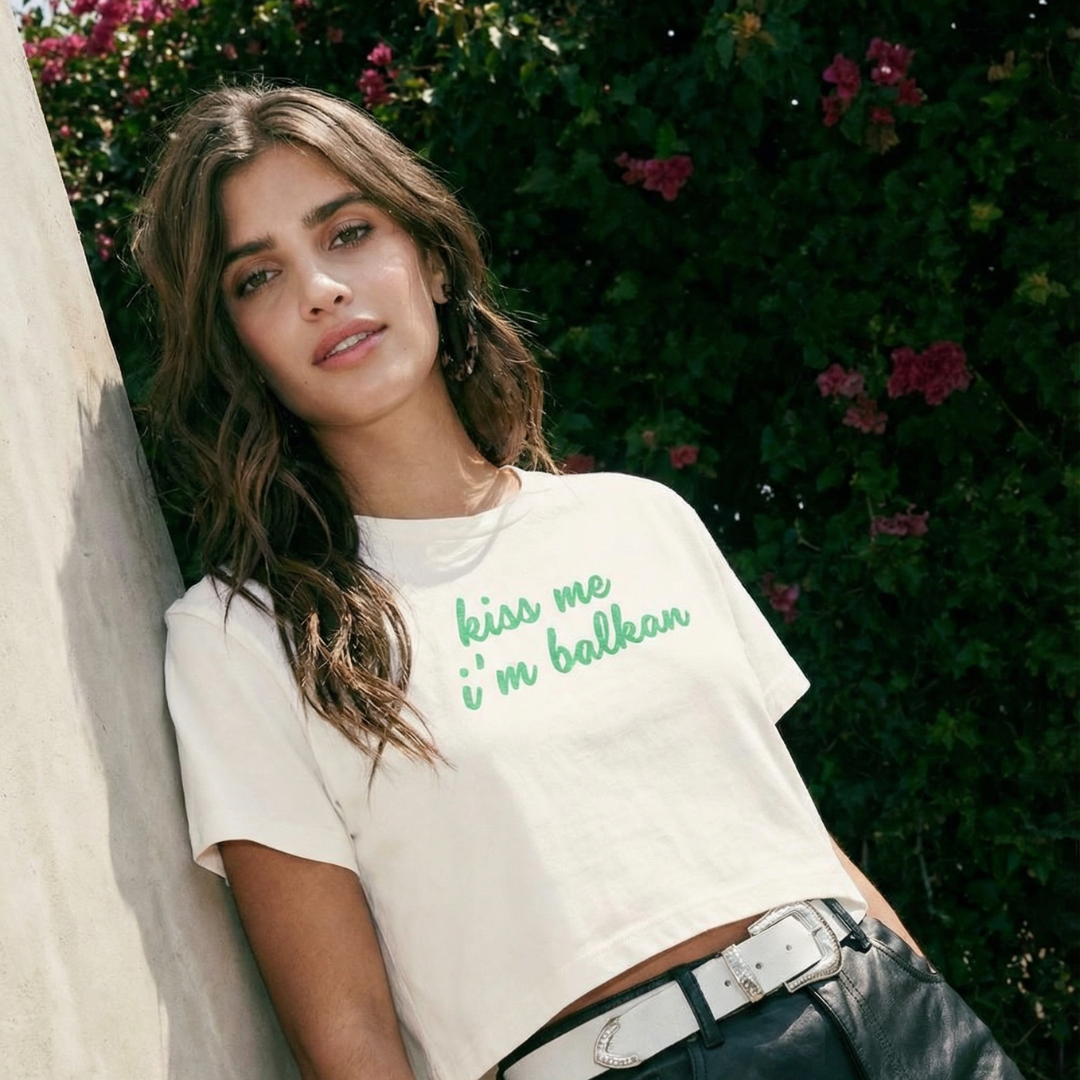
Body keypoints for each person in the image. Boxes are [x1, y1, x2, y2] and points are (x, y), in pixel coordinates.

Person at [131, 84, 1023, 1080]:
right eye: (257, 277)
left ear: (428, 256)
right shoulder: (244, 636)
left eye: (347, 232)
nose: (320, 289)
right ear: (237, 349)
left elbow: (799, 840)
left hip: (893, 1021)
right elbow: (350, 1041)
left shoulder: (636, 519)